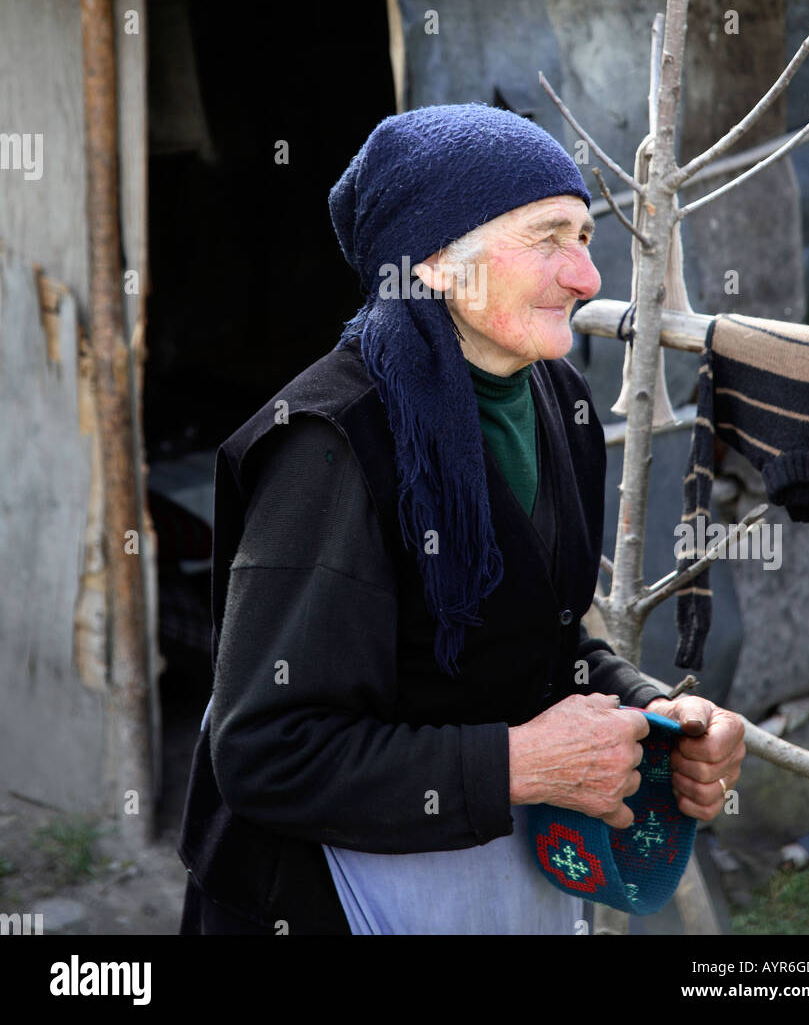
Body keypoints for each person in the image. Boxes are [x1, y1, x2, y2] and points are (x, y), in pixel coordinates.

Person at [177, 103, 744, 936]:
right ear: (436, 263)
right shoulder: (329, 446)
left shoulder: (558, 403)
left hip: (490, 880)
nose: (586, 277)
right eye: (548, 237)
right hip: (320, 902)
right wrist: (519, 763)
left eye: (585, 238)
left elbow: (538, 643)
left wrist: (654, 712)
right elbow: (266, 751)